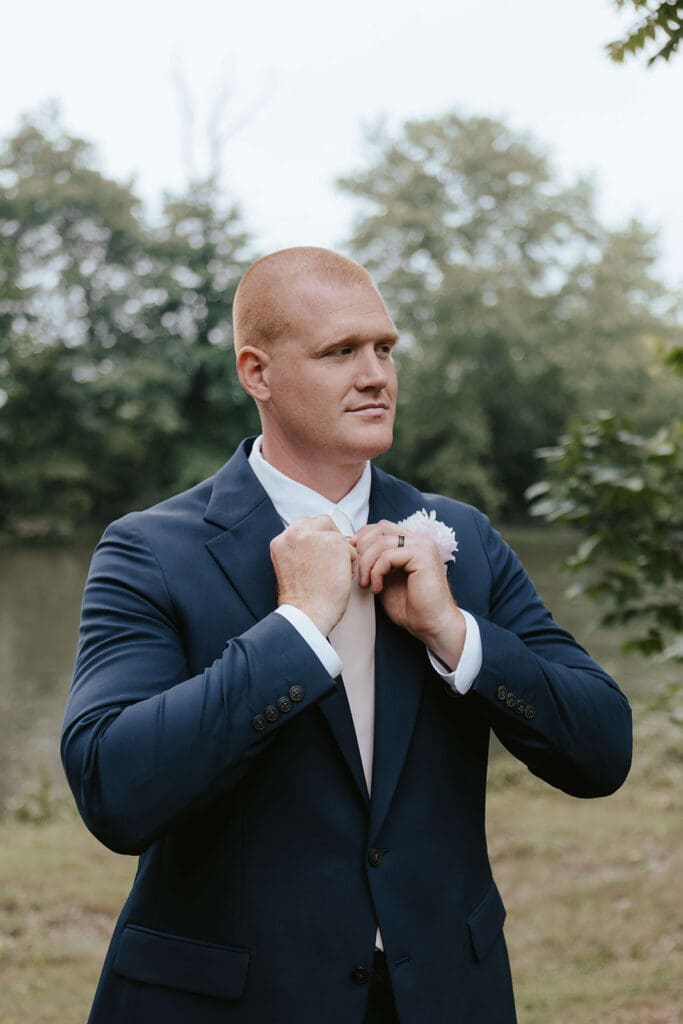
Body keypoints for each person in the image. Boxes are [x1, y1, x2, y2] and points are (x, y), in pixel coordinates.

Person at [62, 246, 632, 1024]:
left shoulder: (459, 536)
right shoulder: (149, 550)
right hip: (229, 1003)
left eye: (384, 349)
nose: (375, 375)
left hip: (441, 997)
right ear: (256, 373)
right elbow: (113, 792)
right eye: (340, 352)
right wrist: (294, 627)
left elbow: (601, 750)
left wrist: (454, 633)